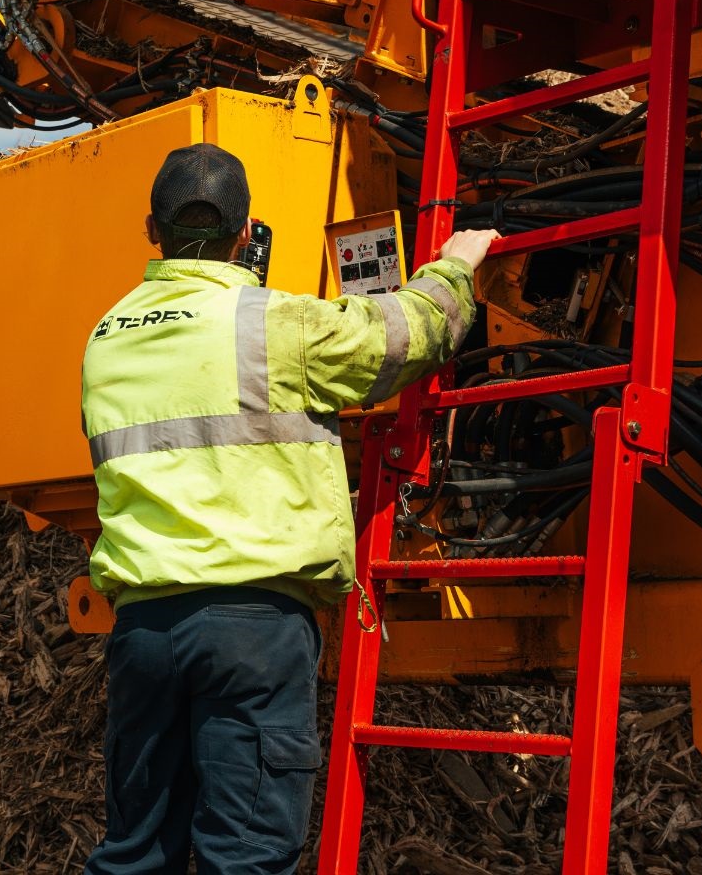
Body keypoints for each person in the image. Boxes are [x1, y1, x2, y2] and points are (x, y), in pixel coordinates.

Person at [80, 143, 499, 874]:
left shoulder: (104, 340)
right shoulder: (275, 325)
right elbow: (406, 335)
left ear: (153, 231)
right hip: (252, 632)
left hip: (144, 631)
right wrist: (456, 265)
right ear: (247, 233)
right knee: (244, 855)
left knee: (135, 855)